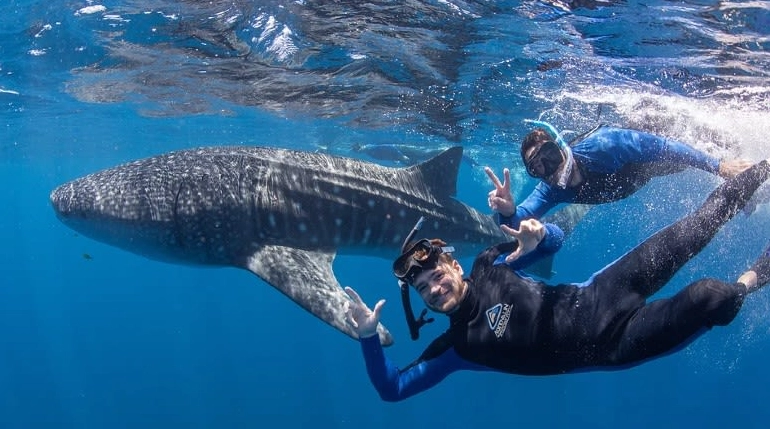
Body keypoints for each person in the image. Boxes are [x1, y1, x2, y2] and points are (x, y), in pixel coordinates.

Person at [343, 159, 770, 402]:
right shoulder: (455, 348)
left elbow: (553, 244)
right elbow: (393, 388)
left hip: (605, 290)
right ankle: (756, 275)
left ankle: (764, 163)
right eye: (424, 291)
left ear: (454, 266)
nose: (434, 290)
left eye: (436, 277)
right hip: (616, 344)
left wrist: (536, 233)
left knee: (699, 225)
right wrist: (365, 336)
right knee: (712, 296)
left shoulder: (490, 264)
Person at [485, 122, 754, 230]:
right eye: (538, 168)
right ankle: (744, 185)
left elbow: (665, 147)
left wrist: (719, 166)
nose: (550, 170)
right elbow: (520, 218)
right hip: (646, 172)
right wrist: (507, 211)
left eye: (550, 158)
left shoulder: (604, 146)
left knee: (693, 146)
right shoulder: (552, 189)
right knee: (681, 164)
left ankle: (739, 162)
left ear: (561, 148)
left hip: (649, 132)